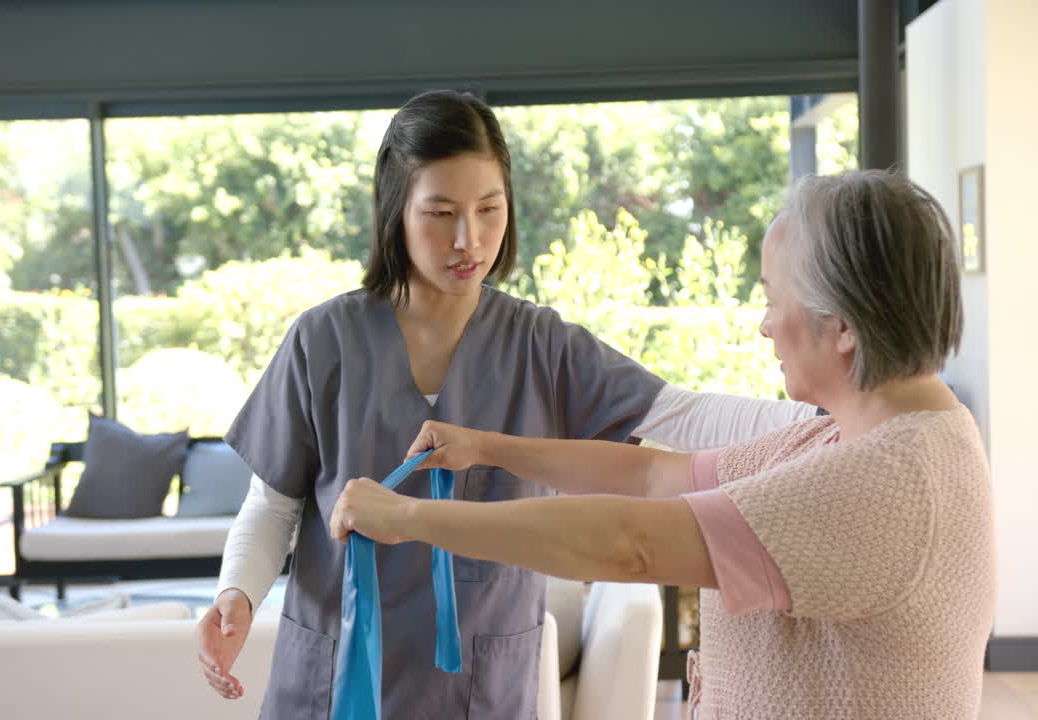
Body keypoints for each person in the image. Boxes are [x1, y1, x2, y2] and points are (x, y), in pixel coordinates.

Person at [195, 89, 816, 719]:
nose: (469, 239)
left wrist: (831, 420)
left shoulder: (541, 346)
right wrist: (238, 593)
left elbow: (682, 417)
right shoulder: (323, 341)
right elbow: (272, 503)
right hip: (336, 679)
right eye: (440, 213)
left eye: (489, 209)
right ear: (395, 211)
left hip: (481, 686)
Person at [334, 169, 998, 719]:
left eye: (773, 300)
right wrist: (487, 448)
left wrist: (413, 518)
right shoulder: (850, 437)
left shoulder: (885, 480)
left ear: (844, 325)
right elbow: (656, 477)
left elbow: (634, 543)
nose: (766, 326)